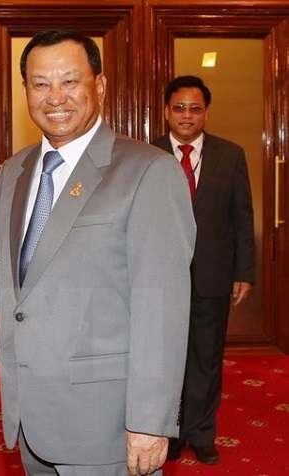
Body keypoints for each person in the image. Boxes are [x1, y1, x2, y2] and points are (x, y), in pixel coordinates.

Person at [0, 28, 197, 476]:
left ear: (98, 86)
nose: (55, 96)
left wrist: (149, 421)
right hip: (30, 412)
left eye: (69, 80)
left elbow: (162, 307)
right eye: (40, 83)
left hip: (109, 423)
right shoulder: (16, 170)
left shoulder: (148, 172)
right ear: (25, 90)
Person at [152, 75, 256, 465]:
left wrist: (244, 271)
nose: (187, 115)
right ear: (166, 111)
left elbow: (242, 217)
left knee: (206, 358)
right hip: (161, 279)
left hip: (213, 276)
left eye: (195, 108)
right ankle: (173, 433)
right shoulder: (148, 155)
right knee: (166, 359)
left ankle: (202, 433)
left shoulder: (231, 155)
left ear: (206, 113)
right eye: (179, 107)